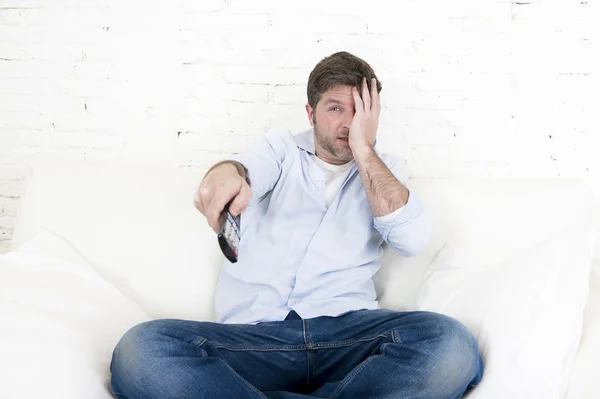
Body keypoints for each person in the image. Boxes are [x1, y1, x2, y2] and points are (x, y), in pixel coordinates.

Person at [109, 51, 483, 399]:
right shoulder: (279, 150)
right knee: (140, 351)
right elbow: (241, 170)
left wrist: (364, 150)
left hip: (348, 338)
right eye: (335, 108)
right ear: (310, 112)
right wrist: (224, 176)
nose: (348, 122)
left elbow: (412, 239)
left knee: (451, 344)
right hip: (253, 342)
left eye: (360, 112)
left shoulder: (385, 171)